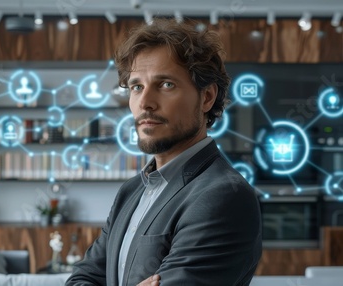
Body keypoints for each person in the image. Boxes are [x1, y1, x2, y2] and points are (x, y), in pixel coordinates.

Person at [65, 18, 262, 286]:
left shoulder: (223, 195)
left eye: (166, 84)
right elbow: (82, 278)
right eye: (136, 87)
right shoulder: (130, 191)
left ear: (206, 97)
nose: (145, 103)